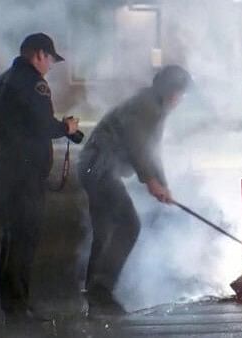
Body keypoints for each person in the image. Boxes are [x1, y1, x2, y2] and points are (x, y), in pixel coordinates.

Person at [78, 64, 191, 313]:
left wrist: (163, 185)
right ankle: (101, 289)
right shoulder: (146, 107)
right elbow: (137, 144)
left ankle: (94, 292)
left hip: (95, 167)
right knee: (129, 225)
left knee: (105, 230)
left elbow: (152, 153)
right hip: (100, 168)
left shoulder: (154, 107)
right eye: (179, 93)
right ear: (169, 90)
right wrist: (150, 180)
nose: (180, 99)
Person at [0, 32, 80, 325]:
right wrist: (66, 127)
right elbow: (41, 125)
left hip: (3, 171)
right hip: (22, 176)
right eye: (50, 59)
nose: (51, 65)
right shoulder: (33, 83)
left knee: (11, 239)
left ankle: (11, 305)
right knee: (24, 240)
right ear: (39, 54)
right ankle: (18, 308)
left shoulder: (4, 80)